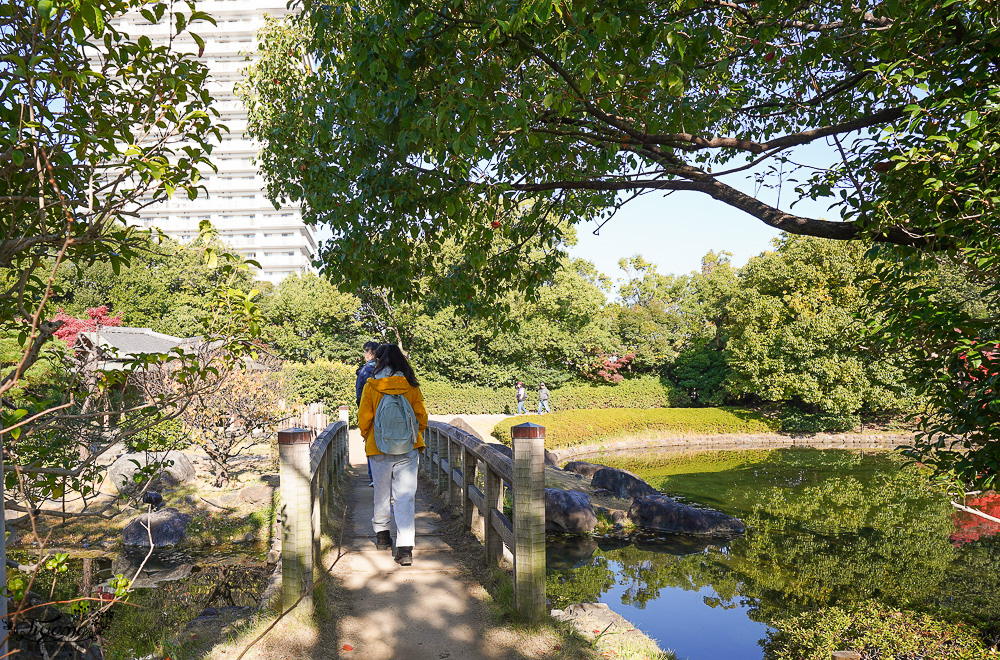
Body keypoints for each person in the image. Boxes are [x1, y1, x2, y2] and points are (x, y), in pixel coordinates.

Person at [358, 344, 428, 567]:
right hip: (408, 448)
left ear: (379, 361)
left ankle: (382, 536)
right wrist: (414, 436)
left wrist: (368, 436)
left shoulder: (371, 386)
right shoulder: (411, 386)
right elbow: (422, 416)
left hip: (378, 448)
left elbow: (363, 419)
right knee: (405, 496)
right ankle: (405, 548)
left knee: (381, 492)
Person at [356, 341, 379, 486]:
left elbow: (360, 397)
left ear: (369, 353)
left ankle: (373, 477)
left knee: (371, 443)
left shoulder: (364, 372)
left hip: (369, 413)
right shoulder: (385, 369)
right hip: (383, 413)